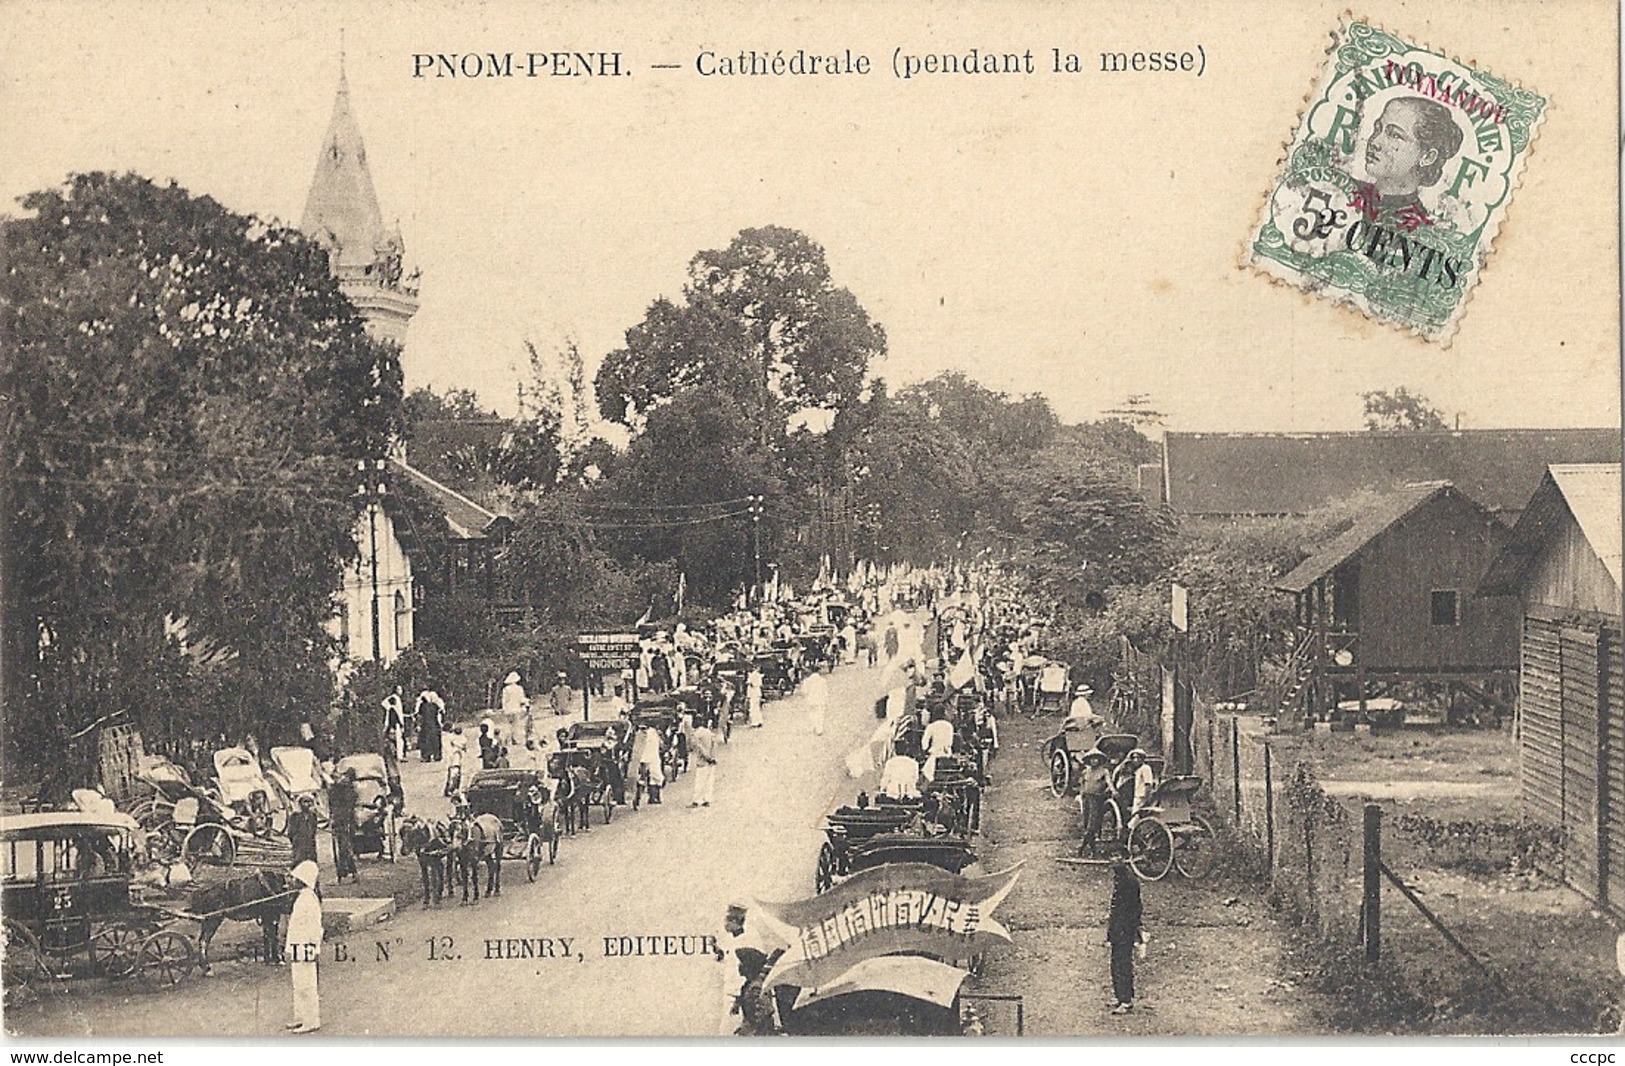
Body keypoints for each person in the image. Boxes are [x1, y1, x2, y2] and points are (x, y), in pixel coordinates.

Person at [285, 860, 323, 1033]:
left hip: (306, 946)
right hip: (296, 945)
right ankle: (300, 1016)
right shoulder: (302, 897)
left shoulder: (309, 900)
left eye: (295, 878)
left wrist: (314, 948)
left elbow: (315, 927)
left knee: (307, 984)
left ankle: (311, 1020)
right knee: (298, 983)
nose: (292, 881)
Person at [1106, 859, 1145, 1014]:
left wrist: (1131, 929)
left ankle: (1126, 1000)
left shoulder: (1129, 881)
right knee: (1116, 963)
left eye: (1116, 858)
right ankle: (1119, 996)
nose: (1113, 862)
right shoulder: (1120, 877)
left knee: (1123, 964)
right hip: (1118, 928)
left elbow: (1134, 908)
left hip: (1125, 929)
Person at [1076, 749, 1111, 855]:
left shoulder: (1104, 771)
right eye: (1092, 759)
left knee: (1093, 824)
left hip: (1097, 799)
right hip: (1086, 798)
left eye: (1096, 759)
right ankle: (1093, 850)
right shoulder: (1085, 771)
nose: (1094, 761)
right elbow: (1082, 784)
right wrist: (1081, 794)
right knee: (1087, 823)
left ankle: (1082, 846)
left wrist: (1112, 790)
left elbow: (1109, 783)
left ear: (1099, 760)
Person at [328, 768, 359, 884]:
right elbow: (332, 806)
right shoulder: (335, 790)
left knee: (344, 848)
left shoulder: (350, 791)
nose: (343, 779)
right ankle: (349, 873)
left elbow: (349, 808)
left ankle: (345, 872)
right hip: (338, 821)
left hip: (346, 822)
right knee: (342, 848)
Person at [689, 716, 718, 808]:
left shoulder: (696, 734)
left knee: (699, 781)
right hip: (711, 760)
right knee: (709, 781)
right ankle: (707, 799)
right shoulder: (709, 732)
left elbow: (699, 748)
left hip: (703, 761)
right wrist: (712, 757)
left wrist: (707, 757)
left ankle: (697, 800)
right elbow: (714, 744)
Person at [921, 709, 955, 781]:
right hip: (947, 753)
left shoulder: (931, 726)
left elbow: (924, 742)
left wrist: (925, 750)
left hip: (934, 753)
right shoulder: (949, 726)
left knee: (926, 771)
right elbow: (950, 742)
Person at [287, 793, 320, 868]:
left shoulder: (313, 815)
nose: (307, 804)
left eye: (309, 802)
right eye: (305, 802)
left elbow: (314, 829)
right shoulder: (295, 816)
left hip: (310, 844)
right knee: (299, 862)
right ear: (300, 803)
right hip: (299, 844)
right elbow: (290, 832)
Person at [415, 688, 445, 762]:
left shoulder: (422, 706)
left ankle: (426, 756)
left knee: (425, 741)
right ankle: (437, 756)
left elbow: (419, 716)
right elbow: (440, 714)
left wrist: (418, 725)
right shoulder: (435, 705)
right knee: (435, 741)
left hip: (425, 725)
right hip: (434, 724)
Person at [381, 689, 406, 762]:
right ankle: (398, 756)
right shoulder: (394, 700)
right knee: (397, 740)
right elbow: (384, 703)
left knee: (398, 740)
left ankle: (398, 755)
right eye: (398, 689)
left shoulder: (397, 699)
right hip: (395, 724)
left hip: (396, 722)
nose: (400, 691)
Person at [801, 670, 828, 736]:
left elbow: (804, 692)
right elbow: (825, 692)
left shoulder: (807, 681)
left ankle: (813, 727)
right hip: (820, 700)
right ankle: (819, 729)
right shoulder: (823, 681)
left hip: (811, 700)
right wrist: (826, 701)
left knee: (812, 714)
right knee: (820, 714)